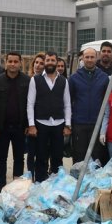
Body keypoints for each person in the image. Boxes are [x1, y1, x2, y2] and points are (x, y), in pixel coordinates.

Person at [0, 52, 30, 192]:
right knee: (0, 157)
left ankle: (16, 186)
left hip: (20, 127)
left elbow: (31, 104)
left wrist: (29, 124)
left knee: (19, 158)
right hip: (1, 128)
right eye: (10, 61)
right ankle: (0, 185)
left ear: (20, 63)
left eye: (15, 61)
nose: (12, 64)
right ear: (5, 63)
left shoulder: (27, 81)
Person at [27, 52, 72, 182]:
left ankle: (56, 183)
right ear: (45, 62)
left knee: (57, 157)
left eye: (53, 60)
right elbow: (30, 104)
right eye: (48, 60)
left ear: (56, 62)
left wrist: (67, 125)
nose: (50, 62)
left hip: (58, 124)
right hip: (41, 123)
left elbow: (67, 104)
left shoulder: (64, 81)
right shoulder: (35, 80)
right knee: (41, 156)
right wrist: (31, 125)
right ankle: (41, 182)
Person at [69, 47, 109, 164]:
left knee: (96, 156)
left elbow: (106, 102)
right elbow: (69, 101)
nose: (89, 60)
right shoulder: (74, 78)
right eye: (87, 57)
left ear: (96, 58)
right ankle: (78, 180)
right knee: (79, 155)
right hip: (79, 123)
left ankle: (95, 181)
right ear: (82, 58)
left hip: (97, 123)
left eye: (92, 57)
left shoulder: (103, 78)